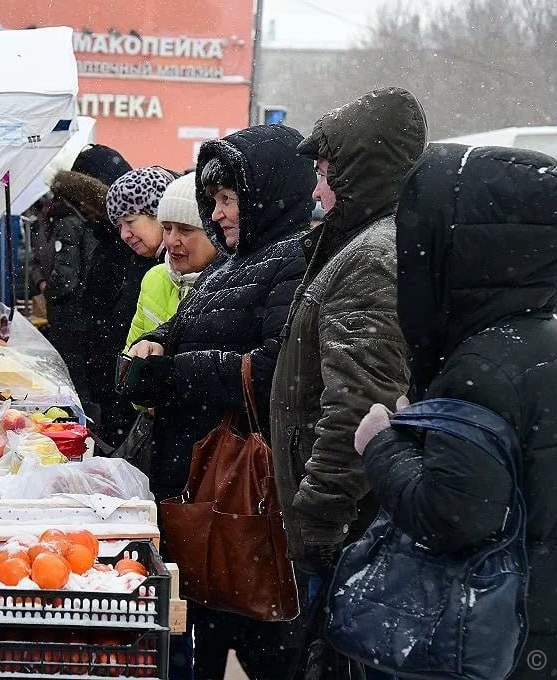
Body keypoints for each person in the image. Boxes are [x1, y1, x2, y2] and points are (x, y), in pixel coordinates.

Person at [354, 143, 557, 680]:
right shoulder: (538, 339)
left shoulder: (481, 368)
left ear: (458, 252)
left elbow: (453, 515)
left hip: (494, 639)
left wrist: (382, 443)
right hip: (536, 624)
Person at [123, 124, 314, 680]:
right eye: (214, 200)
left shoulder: (293, 263)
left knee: (264, 642)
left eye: (228, 198)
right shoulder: (231, 264)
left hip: (242, 495)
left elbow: (276, 371)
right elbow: (177, 332)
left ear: (267, 195)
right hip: (199, 489)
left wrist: (173, 374)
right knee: (201, 632)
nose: (219, 213)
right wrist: (151, 348)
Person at [269, 87, 427, 586]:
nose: (317, 192)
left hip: (346, 529)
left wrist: (319, 515)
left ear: (358, 173)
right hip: (344, 518)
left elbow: (360, 404)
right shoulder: (361, 244)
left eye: (324, 173)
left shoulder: (373, 258)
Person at [39, 145, 132, 419]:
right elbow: (67, 276)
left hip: (82, 326)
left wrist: (47, 290)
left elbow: (59, 272)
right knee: (86, 393)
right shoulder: (85, 225)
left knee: (81, 391)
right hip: (86, 327)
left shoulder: (63, 217)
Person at [123, 173, 219, 348]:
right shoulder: (154, 278)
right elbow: (130, 354)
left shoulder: (234, 291)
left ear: (216, 234)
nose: (172, 241)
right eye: (167, 228)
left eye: (185, 230)